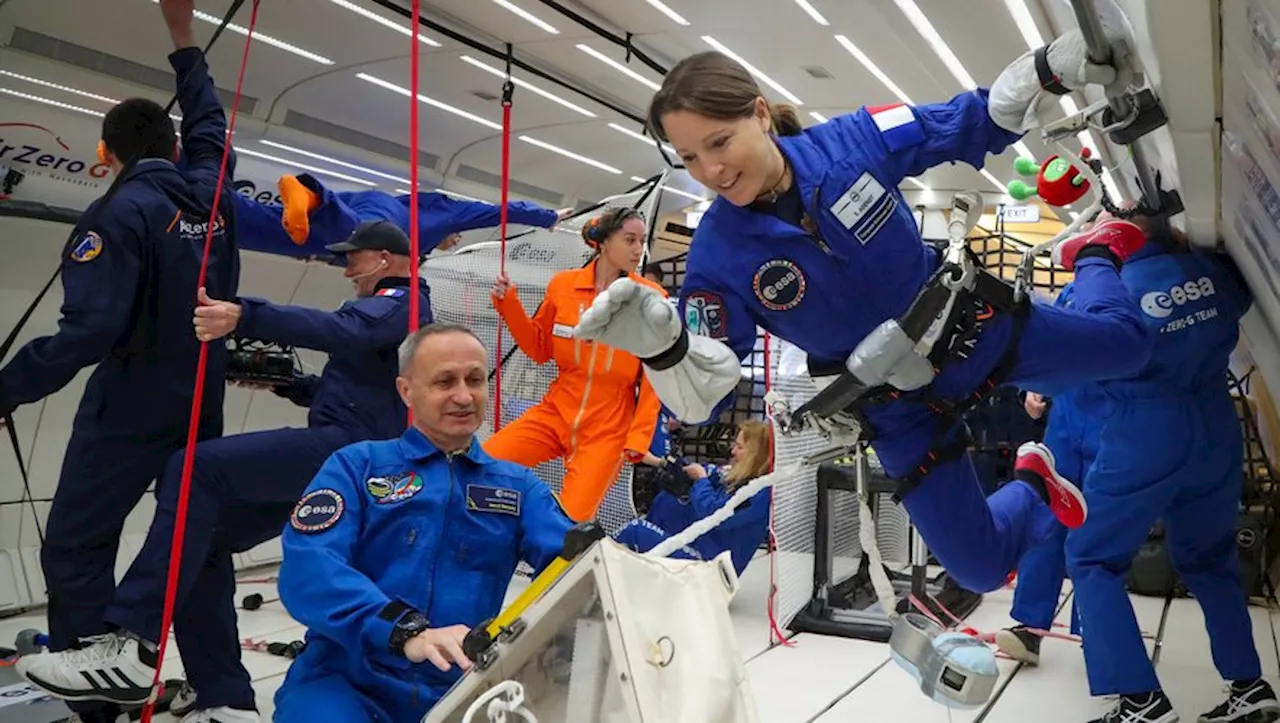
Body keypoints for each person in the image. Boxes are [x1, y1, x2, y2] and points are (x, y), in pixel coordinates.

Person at [572, 34, 1158, 596]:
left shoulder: (854, 140)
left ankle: (1098, 252)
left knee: (1133, 346)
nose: (710, 172)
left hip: (975, 329)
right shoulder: (716, 255)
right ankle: (1034, 481)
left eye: (719, 143)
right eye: (689, 158)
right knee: (980, 568)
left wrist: (1045, 67)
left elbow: (967, 121)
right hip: (897, 409)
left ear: (759, 114)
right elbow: (712, 391)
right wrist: (666, 351)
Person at [14, 221, 430, 723]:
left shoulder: (403, 304)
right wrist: (290, 385)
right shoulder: (390, 313)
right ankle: (227, 700)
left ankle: (135, 641)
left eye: (353, 259)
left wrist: (244, 315)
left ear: (384, 260)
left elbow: (345, 331)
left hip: (349, 454)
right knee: (205, 538)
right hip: (345, 448)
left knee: (194, 468)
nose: (346, 269)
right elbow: (362, 393)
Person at [0, 3, 240, 721]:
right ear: (173, 143)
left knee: (76, 547)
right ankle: (226, 697)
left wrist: (7, 386)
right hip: (201, 405)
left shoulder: (117, 215)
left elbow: (89, 331)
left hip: (128, 410)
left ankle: (96, 700)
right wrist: (184, 39)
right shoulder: (214, 193)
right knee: (197, 551)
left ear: (107, 154)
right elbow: (211, 126)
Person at [271, 323, 576, 723]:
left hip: (463, 686)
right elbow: (309, 567)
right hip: (346, 677)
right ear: (406, 391)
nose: (464, 396)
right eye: (444, 381)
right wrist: (402, 630)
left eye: (475, 380)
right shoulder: (356, 467)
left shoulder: (519, 488)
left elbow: (573, 566)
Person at [1058, 222, 1278, 723]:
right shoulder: (1213, 270)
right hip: (1216, 423)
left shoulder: (1102, 289)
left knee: (1091, 556)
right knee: (1209, 557)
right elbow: (1243, 294)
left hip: (1145, 429)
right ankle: (1250, 686)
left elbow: (1070, 349)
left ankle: (1140, 700)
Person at [485, 207, 666, 521]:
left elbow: (656, 375)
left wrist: (639, 436)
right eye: (630, 240)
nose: (639, 250)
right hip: (555, 412)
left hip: (607, 429)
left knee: (571, 522)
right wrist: (509, 305)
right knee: (483, 464)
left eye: (642, 241)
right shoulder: (563, 286)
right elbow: (540, 349)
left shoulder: (652, 298)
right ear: (604, 242)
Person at [994, 284, 1105, 666]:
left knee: (1095, 528)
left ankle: (1098, 629)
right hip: (1066, 423)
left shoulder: (1137, 287)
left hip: (1113, 423)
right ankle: (1029, 626)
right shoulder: (1074, 291)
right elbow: (1049, 341)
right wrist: (1035, 387)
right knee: (1045, 518)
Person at [231, 175, 575, 259]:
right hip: (383, 221)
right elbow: (499, 212)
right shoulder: (448, 216)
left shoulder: (427, 206)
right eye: (453, 240)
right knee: (360, 234)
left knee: (284, 230)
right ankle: (311, 194)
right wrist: (548, 217)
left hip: (370, 203)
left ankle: (220, 208)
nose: (452, 241)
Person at [615, 419, 773, 576]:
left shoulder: (756, 494)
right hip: (703, 544)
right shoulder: (740, 477)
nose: (733, 451)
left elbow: (715, 515)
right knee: (668, 501)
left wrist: (702, 480)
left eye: (739, 447)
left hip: (710, 566)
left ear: (755, 455)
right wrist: (659, 462)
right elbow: (705, 472)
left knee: (635, 530)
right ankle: (640, 564)